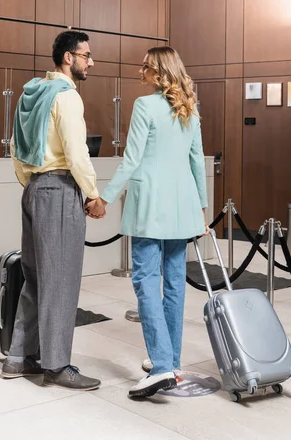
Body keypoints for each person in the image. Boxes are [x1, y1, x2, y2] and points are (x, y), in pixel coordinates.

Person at [86, 46, 209, 398]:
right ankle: (171, 360)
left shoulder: (144, 106)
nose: (140, 72)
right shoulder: (189, 106)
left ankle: (160, 367)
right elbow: (196, 161)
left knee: (145, 282)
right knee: (174, 285)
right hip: (183, 208)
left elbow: (131, 159)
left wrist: (104, 198)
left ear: (158, 71)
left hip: (150, 207)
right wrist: (201, 208)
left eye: (145, 67)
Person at [1, 30, 102, 391]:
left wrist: (30, 183)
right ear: (68, 58)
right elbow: (77, 153)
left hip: (32, 189)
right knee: (60, 281)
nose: (91, 62)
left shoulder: (32, 93)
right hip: (59, 190)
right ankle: (57, 365)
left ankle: (19, 358)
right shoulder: (67, 97)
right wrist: (92, 194)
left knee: (36, 277)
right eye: (86, 55)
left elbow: (16, 147)